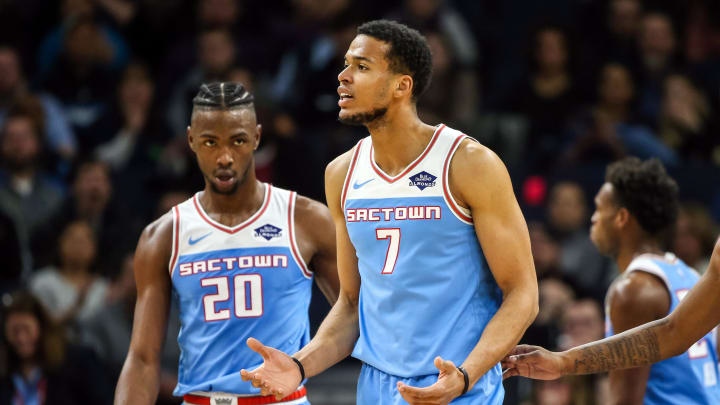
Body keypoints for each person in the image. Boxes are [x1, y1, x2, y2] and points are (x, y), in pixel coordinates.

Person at [241, 20, 538, 405]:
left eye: (361, 67)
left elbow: (523, 295)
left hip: (455, 386)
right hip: (377, 388)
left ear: (402, 85)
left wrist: (466, 376)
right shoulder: (341, 173)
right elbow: (351, 305)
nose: (343, 77)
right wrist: (298, 366)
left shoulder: (468, 163)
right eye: (346, 65)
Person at [113, 82, 340, 405]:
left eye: (238, 141)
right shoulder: (163, 235)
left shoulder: (306, 220)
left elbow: (354, 315)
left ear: (257, 138)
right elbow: (142, 359)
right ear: (190, 139)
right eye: (209, 142)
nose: (224, 157)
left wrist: (302, 364)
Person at [503, 159, 720, 405]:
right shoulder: (689, 274)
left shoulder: (633, 289)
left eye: (598, 208)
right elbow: (677, 336)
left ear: (621, 218)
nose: (593, 219)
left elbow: (626, 400)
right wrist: (562, 362)